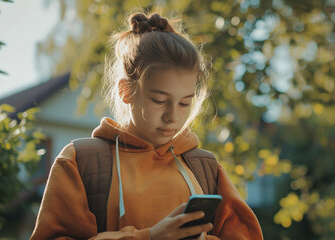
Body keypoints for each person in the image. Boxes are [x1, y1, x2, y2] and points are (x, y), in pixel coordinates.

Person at [30, 11, 263, 240]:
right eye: (159, 100)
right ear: (126, 91)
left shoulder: (205, 167)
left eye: (184, 103)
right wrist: (149, 237)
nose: (173, 116)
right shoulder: (80, 161)